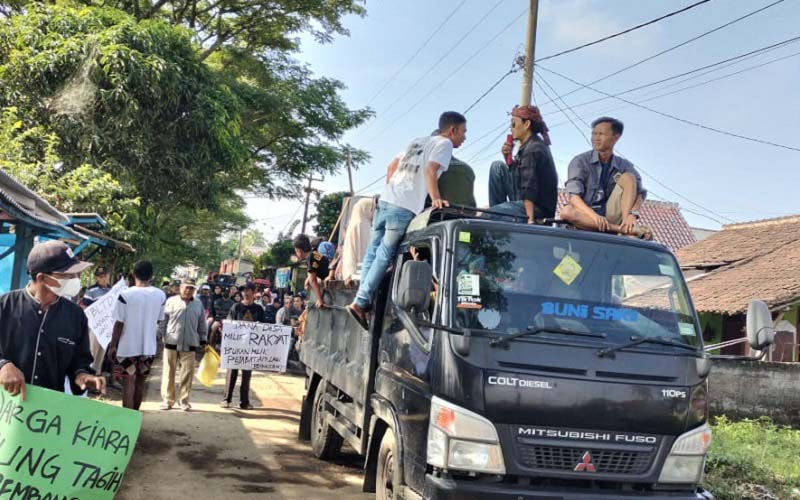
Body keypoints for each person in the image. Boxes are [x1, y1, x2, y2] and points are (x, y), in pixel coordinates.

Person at [347, 111, 467, 329]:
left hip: (386, 200)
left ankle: (361, 300)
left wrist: (389, 192)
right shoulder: (444, 145)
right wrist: (437, 199)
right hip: (404, 206)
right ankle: (361, 302)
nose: (464, 137)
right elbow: (431, 170)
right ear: (453, 130)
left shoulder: (416, 141)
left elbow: (391, 168)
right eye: (463, 132)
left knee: (372, 252)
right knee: (385, 254)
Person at [0, 240, 106, 399]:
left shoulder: (76, 316)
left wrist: (82, 376)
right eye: (68, 275)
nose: (75, 279)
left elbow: (79, 360)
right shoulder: (4, 306)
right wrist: (3, 365)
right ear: (42, 277)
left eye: (76, 274)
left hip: (47, 413)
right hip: (6, 409)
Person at [560, 117, 651, 238]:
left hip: (611, 214)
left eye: (601, 134)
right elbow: (573, 196)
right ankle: (622, 230)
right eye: (594, 134)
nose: (596, 138)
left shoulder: (623, 165)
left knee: (629, 177)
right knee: (567, 212)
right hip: (587, 215)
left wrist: (632, 214)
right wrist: (594, 216)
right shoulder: (580, 161)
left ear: (616, 137)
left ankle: (626, 225)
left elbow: (641, 193)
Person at [108, 261, 166, 410]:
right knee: (140, 383)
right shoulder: (160, 295)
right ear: (152, 276)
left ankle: (127, 422)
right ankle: (135, 417)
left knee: (129, 382)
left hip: (127, 347)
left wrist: (113, 345)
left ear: (133, 275)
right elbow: (159, 320)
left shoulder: (125, 295)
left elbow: (119, 323)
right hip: (148, 347)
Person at [488, 105, 558, 223]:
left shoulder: (533, 149)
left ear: (526, 125)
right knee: (497, 167)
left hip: (536, 207)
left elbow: (528, 187)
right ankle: (498, 214)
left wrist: (530, 220)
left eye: (514, 124)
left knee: (488, 215)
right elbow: (520, 177)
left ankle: (496, 216)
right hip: (524, 198)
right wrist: (507, 157)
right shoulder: (530, 145)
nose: (511, 128)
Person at [158, 278, 207, 411]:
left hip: (190, 343)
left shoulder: (198, 304)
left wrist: (203, 339)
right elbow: (163, 320)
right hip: (171, 342)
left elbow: (202, 322)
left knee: (187, 374)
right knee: (169, 373)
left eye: (191, 288)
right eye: (186, 287)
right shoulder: (171, 302)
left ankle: (184, 401)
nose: (188, 290)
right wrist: (160, 335)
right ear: (180, 287)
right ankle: (168, 400)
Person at [222, 283, 265, 410]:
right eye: (243, 291)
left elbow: (264, 327)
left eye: (248, 290)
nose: (245, 293)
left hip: (250, 347)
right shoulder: (236, 307)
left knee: (247, 375)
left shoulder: (258, 309)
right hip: (235, 346)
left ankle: (244, 402)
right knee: (232, 373)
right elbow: (229, 324)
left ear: (253, 292)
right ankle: (226, 399)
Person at [337, 197, 376, 287]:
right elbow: (360, 252)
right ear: (366, 208)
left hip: (356, 274)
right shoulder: (361, 225)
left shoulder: (356, 223)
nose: (375, 212)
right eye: (372, 209)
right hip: (359, 275)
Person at [83, 266, 113, 376]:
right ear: (97, 278)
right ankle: (87, 375)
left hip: (106, 327)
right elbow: (86, 306)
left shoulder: (112, 291)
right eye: (101, 277)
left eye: (105, 276)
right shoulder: (91, 290)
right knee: (92, 351)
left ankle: (96, 376)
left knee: (102, 352)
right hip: (95, 326)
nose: (103, 279)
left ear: (108, 276)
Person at [293, 234, 330, 309]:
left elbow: (313, 281)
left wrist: (319, 300)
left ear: (299, 250)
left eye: (296, 251)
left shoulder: (310, 258)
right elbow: (313, 271)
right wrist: (308, 279)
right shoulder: (314, 254)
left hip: (328, 279)